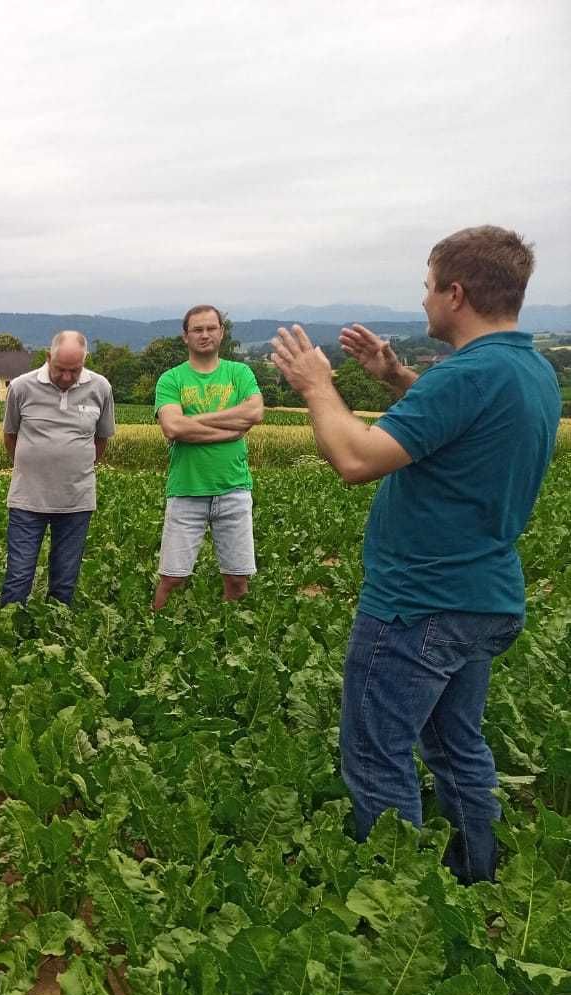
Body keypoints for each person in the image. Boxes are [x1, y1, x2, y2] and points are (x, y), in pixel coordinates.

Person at [270, 225, 559, 883]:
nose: (423, 300)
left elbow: (353, 459)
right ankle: (473, 886)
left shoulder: (465, 374)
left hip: (417, 603)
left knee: (376, 756)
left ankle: (399, 904)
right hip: (481, 597)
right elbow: (457, 426)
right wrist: (394, 377)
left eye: (428, 287)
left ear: (454, 293)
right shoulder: (527, 369)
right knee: (458, 749)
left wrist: (317, 384)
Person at [151, 306, 265, 610]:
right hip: (187, 490)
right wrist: (231, 429)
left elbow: (254, 412)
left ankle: (231, 646)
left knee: (238, 580)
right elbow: (173, 427)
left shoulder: (239, 372)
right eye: (197, 330)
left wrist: (196, 422)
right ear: (185, 336)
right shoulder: (171, 379)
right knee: (172, 579)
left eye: (211, 328)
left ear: (222, 332)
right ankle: (155, 635)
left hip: (234, 489)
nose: (205, 335)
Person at [0, 330, 115, 606]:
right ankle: (6, 635)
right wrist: (32, 466)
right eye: (60, 369)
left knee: (65, 579)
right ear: (48, 357)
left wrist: (75, 467)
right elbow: (10, 435)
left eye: (74, 371)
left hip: (76, 501)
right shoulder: (21, 387)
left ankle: (56, 634)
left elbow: (101, 439)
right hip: (28, 499)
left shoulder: (101, 388)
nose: (66, 377)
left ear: (85, 362)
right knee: (19, 575)